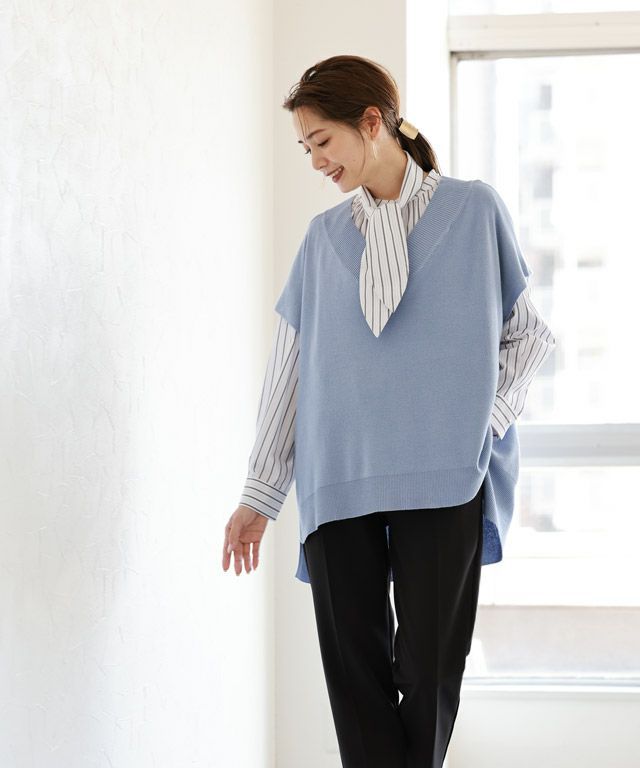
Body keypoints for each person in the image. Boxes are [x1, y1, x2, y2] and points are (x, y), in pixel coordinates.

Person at [222, 54, 556, 768]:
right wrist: (260, 494)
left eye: (322, 141)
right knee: (356, 685)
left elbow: (529, 339)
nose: (316, 160)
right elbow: (288, 370)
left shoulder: (475, 212)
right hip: (337, 478)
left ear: (371, 122)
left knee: (429, 676)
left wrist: (484, 422)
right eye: (306, 148)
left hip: (443, 476)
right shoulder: (322, 240)